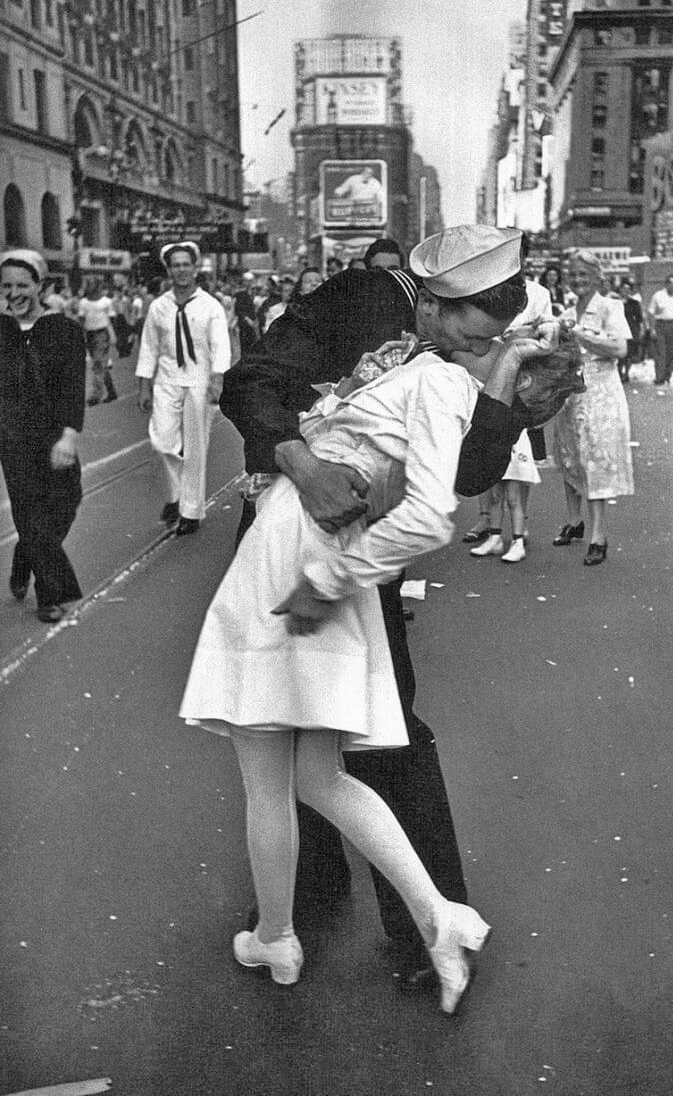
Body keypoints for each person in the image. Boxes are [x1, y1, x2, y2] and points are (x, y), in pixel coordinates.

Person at [181, 227, 534, 1011]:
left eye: (492, 339)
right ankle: (319, 904)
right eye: (471, 330)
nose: (473, 346)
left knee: (342, 738)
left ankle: (387, 923)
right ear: (437, 299)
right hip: (303, 527)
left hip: (353, 552)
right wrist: (303, 465)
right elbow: (251, 383)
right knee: (320, 745)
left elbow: (466, 472)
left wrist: (510, 395)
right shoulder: (361, 298)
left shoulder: (454, 363)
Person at [0, 249, 86, 623]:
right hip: (11, 437)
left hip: (52, 434)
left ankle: (25, 555)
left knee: (67, 501)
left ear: (39, 286)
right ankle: (49, 596)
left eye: (22, 285)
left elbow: (72, 386)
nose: (14, 293)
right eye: (6, 286)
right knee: (30, 513)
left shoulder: (63, 330)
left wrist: (68, 438)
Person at [135, 241, 231, 535]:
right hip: (166, 381)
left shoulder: (210, 306)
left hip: (199, 383)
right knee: (162, 442)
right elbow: (149, 347)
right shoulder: (159, 307)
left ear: (194, 267)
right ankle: (175, 497)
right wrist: (143, 386)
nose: (181, 270)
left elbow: (220, 345)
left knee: (195, 449)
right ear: (169, 270)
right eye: (175, 265)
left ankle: (190, 511)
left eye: (186, 264)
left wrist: (217, 380)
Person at [469, 248, 555, 562]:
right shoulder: (482, 290)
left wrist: (525, 336)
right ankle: (491, 527)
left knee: (518, 467)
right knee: (486, 461)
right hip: (484, 381)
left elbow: (548, 339)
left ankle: (519, 529)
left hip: (522, 388)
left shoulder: (539, 294)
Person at [550, 250, 634, 566]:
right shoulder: (568, 311)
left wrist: (581, 337)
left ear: (597, 277)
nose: (577, 280)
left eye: (584, 275)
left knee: (596, 460)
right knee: (570, 458)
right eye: (573, 275)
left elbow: (619, 348)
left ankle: (599, 536)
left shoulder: (611, 307)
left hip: (601, 392)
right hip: (572, 393)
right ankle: (574, 521)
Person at [78, 278, 118, 405]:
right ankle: (112, 392)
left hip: (102, 334)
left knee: (98, 364)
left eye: (91, 285)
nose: (88, 287)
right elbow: (81, 320)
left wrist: (112, 335)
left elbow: (112, 320)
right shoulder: (83, 302)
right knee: (100, 365)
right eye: (87, 285)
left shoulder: (106, 302)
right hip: (89, 334)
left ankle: (95, 395)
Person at [647, 274, 673, 386]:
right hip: (661, 325)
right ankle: (659, 377)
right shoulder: (658, 296)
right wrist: (652, 329)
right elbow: (651, 312)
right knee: (660, 352)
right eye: (670, 283)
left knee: (672, 352)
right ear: (666, 284)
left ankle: (668, 375)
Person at [617, 278, 645, 383]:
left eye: (628, 289)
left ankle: (626, 373)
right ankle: (619, 372)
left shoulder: (634, 303)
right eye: (623, 289)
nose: (625, 291)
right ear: (620, 290)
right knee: (619, 354)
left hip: (630, 329)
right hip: (617, 330)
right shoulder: (614, 302)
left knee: (629, 354)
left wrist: (640, 331)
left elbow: (639, 319)